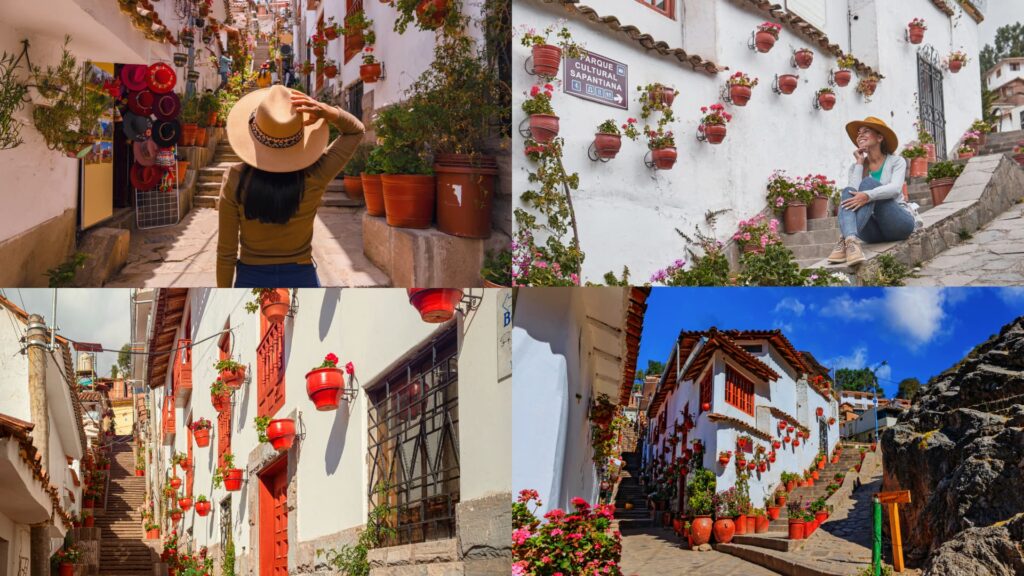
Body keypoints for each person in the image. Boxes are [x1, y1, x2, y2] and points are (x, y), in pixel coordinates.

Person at [217, 85, 365, 287]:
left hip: (250, 276)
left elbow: (226, 253)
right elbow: (355, 131)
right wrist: (327, 111)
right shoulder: (315, 175)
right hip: (301, 275)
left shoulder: (235, 179)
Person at [828, 116, 921, 266]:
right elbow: (852, 194)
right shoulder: (855, 168)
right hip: (872, 232)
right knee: (848, 191)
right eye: (859, 132)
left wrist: (868, 195)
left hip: (898, 224)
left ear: (879, 137)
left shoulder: (896, 161)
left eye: (866, 131)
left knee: (869, 183)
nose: (860, 135)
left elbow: (895, 189)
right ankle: (850, 240)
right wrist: (859, 163)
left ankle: (844, 239)